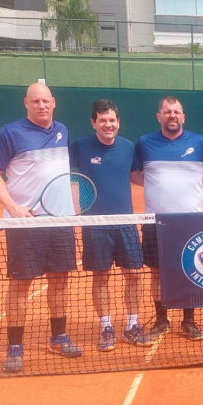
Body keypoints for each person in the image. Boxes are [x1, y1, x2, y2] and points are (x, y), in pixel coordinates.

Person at [0, 82, 83, 372]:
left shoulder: (62, 131)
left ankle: (59, 336)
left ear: (54, 102)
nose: (41, 105)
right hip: (25, 225)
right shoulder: (10, 132)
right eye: (35, 101)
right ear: (26, 103)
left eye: (45, 100)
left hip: (60, 222)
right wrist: (14, 208)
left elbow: (62, 174)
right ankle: (15, 347)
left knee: (60, 281)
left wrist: (72, 208)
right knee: (20, 285)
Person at [132, 96, 203, 341]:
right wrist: (156, 183)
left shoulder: (200, 142)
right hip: (155, 223)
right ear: (158, 117)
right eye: (167, 111)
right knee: (156, 273)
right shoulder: (144, 143)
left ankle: (188, 321)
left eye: (176, 111)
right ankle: (161, 320)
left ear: (183, 117)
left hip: (190, 223)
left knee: (190, 270)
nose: (172, 115)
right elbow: (134, 174)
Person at [69, 99, 153, 352]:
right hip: (95, 225)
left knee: (135, 274)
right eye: (103, 120)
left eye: (112, 120)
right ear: (93, 123)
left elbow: (136, 177)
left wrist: (167, 177)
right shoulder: (80, 146)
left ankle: (132, 325)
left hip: (126, 223)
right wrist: (75, 209)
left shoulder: (128, 147)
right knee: (101, 276)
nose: (108, 124)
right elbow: (70, 177)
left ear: (118, 122)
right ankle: (106, 327)